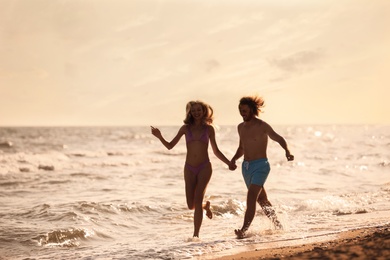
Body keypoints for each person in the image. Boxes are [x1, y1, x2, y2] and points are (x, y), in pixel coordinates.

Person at [151, 100, 234, 238]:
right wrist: (159, 136)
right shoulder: (185, 128)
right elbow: (170, 146)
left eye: (199, 110)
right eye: (193, 110)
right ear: (190, 112)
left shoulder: (209, 129)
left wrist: (228, 163)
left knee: (198, 197)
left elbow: (216, 151)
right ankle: (204, 206)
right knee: (191, 205)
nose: (196, 113)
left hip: (204, 168)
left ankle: (196, 235)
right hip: (189, 168)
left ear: (203, 111)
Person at [229, 95, 294, 239]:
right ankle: (278, 225)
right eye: (240, 110)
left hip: (261, 166)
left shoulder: (262, 125)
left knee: (251, 196)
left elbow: (279, 138)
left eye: (244, 110)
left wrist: (287, 151)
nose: (242, 113)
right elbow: (241, 148)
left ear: (252, 109)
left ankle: (243, 230)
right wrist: (233, 160)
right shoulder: (240, 127)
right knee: (262, 200)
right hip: (246, 167)